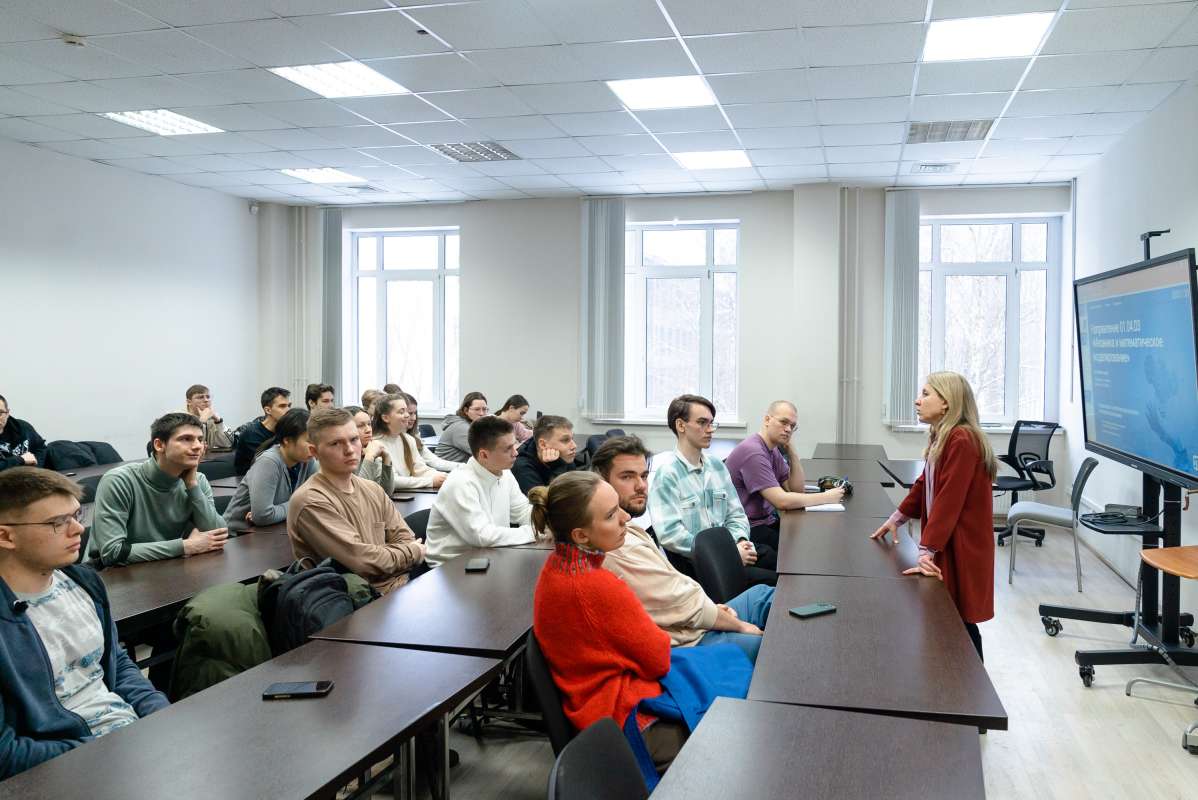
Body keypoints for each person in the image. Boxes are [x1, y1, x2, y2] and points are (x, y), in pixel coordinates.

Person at [0, 468, 169, 779]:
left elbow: (115, 662)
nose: (78, 529)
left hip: (130, 743)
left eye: (76, 515)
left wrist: (158, 712)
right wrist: (98, 751)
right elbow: (5, 753)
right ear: (6, 536)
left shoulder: (83, 581)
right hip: (66, 766)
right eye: (57, 523)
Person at [531, 471, 686, 772]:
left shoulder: (556, 568)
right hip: (628, 721)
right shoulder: (596, 585)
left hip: (596, 714)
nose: (626, 518)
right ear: (581, 535)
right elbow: (658, 660)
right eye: (612, 514)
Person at [593, 436, 774, 663]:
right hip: (687, 642)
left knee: (765, 595)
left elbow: (678, 593)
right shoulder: (616, 545)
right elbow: (680, 606)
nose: (640, 485)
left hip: (696, 617)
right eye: (627, 477)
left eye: (644, 476)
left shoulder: (629, 527)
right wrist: (738, 625)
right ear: (602, 481)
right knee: (766, 647)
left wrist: (713, 608)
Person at [871, 371, 997, 661]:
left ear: (947, 402)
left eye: (926, 394)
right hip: (948, 540)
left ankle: (971, 686)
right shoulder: (944, 435)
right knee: (947, 615)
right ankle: (954, 678)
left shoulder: (962, 438)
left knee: (958, 618)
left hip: (962, 545)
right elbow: (925, 485)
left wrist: (926, 550)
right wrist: (897, 517)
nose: (918, 400)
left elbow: (948, 500)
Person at [287, 408, 424, 595]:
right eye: (336, 443)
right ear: (314, 451)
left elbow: (405, 538)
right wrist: (412, 553)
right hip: (359, 603)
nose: (350, 450)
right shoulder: (311, 500)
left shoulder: (372, 489)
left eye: (354, 440)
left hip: (402, 585)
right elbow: (363, 563)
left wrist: (391, 555)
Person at [648, 395, 776, 584]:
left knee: (775, 559)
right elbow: (670, 535)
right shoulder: (667, 474)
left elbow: (736, 514)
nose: (710, 430)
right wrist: (726, 554)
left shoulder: (716, 466)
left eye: (711, 423)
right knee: (774, 581)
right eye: (702, 423)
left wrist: (739, 541)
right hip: (697, 565)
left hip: (728, 549)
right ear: (681, 426)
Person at [91, 413, 228, 565]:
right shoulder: (119, 481)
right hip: (112, 576)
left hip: (165, 567)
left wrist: (192, 486)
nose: (197, 446)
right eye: (186, 439)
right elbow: (113, 553)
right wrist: (185, 546)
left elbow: (219, 535)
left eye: (200, 439)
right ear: (159, 445)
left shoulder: (197, 480)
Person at [724, 400, 845, 555]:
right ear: (767, 420)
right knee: (801, 553)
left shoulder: (771, 449)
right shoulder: (753, 452)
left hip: (766, 521)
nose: (788, 429)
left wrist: (792, 452)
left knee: (808, 542)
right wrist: (826, 497)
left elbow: (795, 489)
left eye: (792, 426)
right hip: (748, 530)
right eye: (784, 422)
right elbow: (781, 501)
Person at [425, 416, 536, 566]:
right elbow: (482, 536)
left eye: (514, 444)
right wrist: (534, 532)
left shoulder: (505, 473)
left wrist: (547, 525)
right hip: (451, 567)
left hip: (488, 556)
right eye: (507, 448)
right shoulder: (460, 483)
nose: (515, 453)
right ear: (484, 455)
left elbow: (522, 511)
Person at [222, 409, 315, 532]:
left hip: (273, 530)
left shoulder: (307, 460)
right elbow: (263, 516)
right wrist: (300, 504)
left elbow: (316, 500)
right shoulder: (268, 462)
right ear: (287, 440)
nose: (315, 446)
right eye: (309, 441)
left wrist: (303, 503)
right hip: (237, 536)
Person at [370, 394, 449, 492]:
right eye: (401, 412)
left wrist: (443, 477)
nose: (408, 415)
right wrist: (430, 481)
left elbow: (420, 469)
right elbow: (393, 480)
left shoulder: (408, 439)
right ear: (385, 418)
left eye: (407, 411)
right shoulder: (375, 444)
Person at [512, 414, 584, 495]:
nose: (574, 446)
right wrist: (557, 467)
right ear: (543, 444)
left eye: (572, 438)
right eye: (565, 440)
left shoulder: (565, 457)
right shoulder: (522, 467)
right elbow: (544, 504)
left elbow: (576, 492)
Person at [234, 387, 292, 476]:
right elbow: (269, 465)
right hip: (251, 483)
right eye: (282, 406)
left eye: (289, 406)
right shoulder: (251, 434)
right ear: (268, 410)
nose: (288, 410)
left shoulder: (285, 430)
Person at [402, 393, 460, 472]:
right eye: (410, 413)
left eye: (415, 413)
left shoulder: (414, 435)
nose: (414, 418)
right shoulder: (394, 439)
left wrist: (463, 467)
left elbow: (434, 461)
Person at [347, 405, 394, 493]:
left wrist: (386, 458)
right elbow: (359, 494)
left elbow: (386, 492)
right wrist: (369, 457)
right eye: (361, 426)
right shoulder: (344, 456)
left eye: (369, 424)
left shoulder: (370, 449)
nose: (368, 430)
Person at [435, 391, 488, 463]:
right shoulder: (461, 427)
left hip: (462, 468)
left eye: (484, 409)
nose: (482, 413)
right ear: (466, 410)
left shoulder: (475, 425)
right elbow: (483, 454)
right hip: (446, 471)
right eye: (477, 409)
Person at [0, 393, 46, 473]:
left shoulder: (23, 427)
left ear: (7, 413)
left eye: (0, 413)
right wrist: (21, 459)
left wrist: (35, 469)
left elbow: (41, 448)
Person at [183, 384, 232, 451]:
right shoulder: (180, 419)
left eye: (208, 397)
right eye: (200, 397)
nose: (206, 400)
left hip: (206, 459)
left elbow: (227, 444)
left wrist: (218, 422)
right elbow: (188, 445)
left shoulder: (212, 420)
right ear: (189, 402)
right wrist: (202, 421)